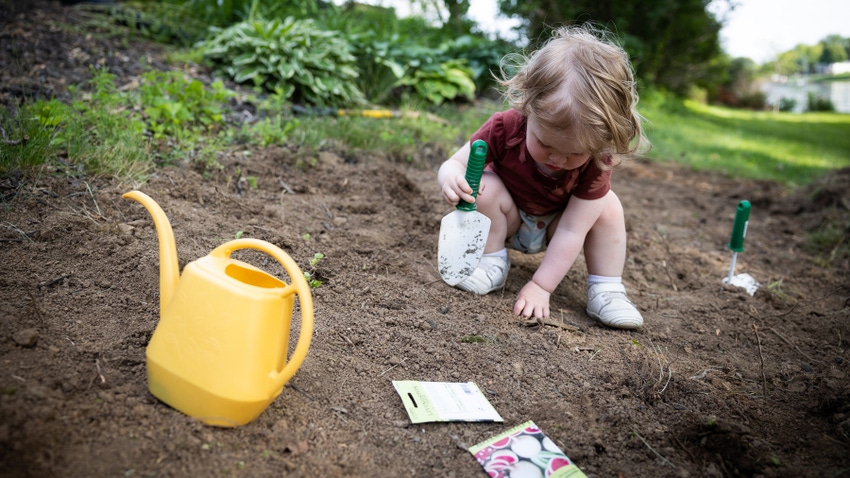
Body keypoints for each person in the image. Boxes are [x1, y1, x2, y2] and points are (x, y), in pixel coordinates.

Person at [437, 24, 649, 329]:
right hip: (506, 217)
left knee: (609, 206)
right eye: (546, 144)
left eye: (575, 153)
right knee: (485, 185)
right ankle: (490, 260)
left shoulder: (598, 159)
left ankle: (607, 288)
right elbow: (453, 164)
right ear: (528, 105)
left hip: (558, 225)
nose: (559, 159)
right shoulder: (504, 128)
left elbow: (572, 231)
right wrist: (451, 178)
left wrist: (541, 286)